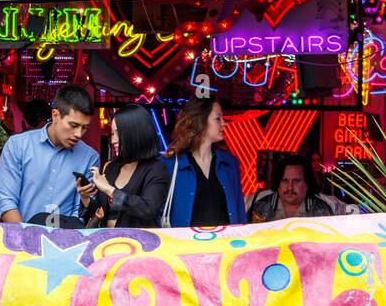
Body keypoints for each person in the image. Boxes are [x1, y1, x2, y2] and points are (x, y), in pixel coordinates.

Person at [0, 84, 98, 226]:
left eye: (84, 128)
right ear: (55, 115)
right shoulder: (18, 145)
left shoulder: (89, 157)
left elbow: (79, 212)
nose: (79, 134)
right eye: (73, 125)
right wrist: (25, 239)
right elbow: (6, 201)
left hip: (66, 241)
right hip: (21, 240)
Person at [160, 97, 246, 227]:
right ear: (201, 121)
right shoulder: (169, 164)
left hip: (225, 245)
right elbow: (157, 213)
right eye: (218, 118)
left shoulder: (230, 162)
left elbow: (239, 212)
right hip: (186, 246)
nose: (224, 123)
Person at [85, 104, 170, 228]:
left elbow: (148, 210)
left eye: (118, 134)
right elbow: (100, 211)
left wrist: (109, 189)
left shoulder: (156, 169)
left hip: (138, 244)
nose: (113, 140)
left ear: (135, 134)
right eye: (112, 134)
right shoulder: (111, 168)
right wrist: (85, 198)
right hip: (106, 243)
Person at [246, 153, 355, 222]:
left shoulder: (327, 204)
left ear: (307, 183)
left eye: (296, 181)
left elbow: (357, 219)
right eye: (285, 180)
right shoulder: (256, 201)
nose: (290, 186)